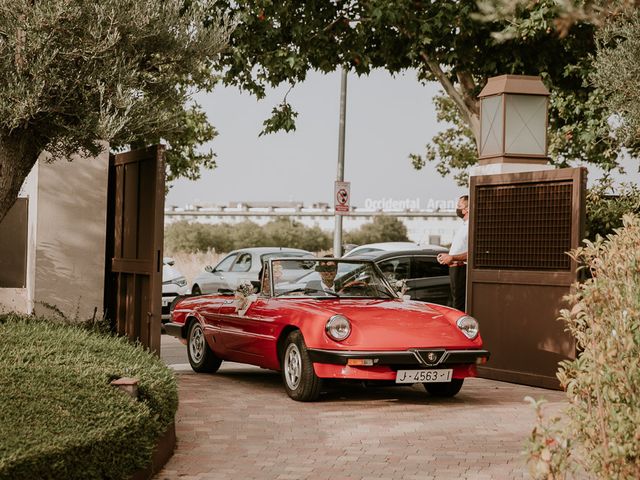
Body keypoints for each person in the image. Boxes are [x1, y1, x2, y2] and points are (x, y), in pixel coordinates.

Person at [437, 195, 469, 312]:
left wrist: (452, 257)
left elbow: (472, 253)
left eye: (459, 206)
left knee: (459, 307)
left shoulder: (470, 226)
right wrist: (446, 256)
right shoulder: (463, 226)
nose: (457, 209)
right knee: (454, 305)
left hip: (461, 269)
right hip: (454, 269)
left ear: (468, 208)